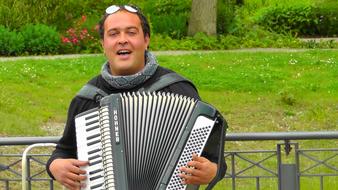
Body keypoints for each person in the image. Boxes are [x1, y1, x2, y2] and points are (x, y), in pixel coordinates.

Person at [46, 4, 226, 190]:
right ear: (103, 44)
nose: (122, 40)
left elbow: (216, 160)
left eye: (131, 32)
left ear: (146, 39)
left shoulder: (178, 89)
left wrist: (212, 171)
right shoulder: (88, 98)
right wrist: (55, 166)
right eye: (113, 34)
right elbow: (64, 150)